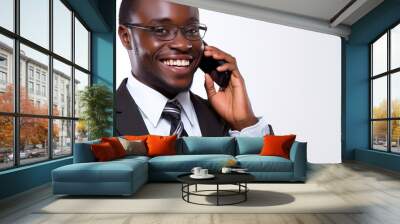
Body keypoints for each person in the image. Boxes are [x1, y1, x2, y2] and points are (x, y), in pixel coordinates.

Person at [116, 0, 273, 137]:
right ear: (126, 37)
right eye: (161, 30)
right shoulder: (99, 120)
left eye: (192, 30)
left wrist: (244, 123)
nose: (184, 44)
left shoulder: (225, 122)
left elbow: (273, 170)